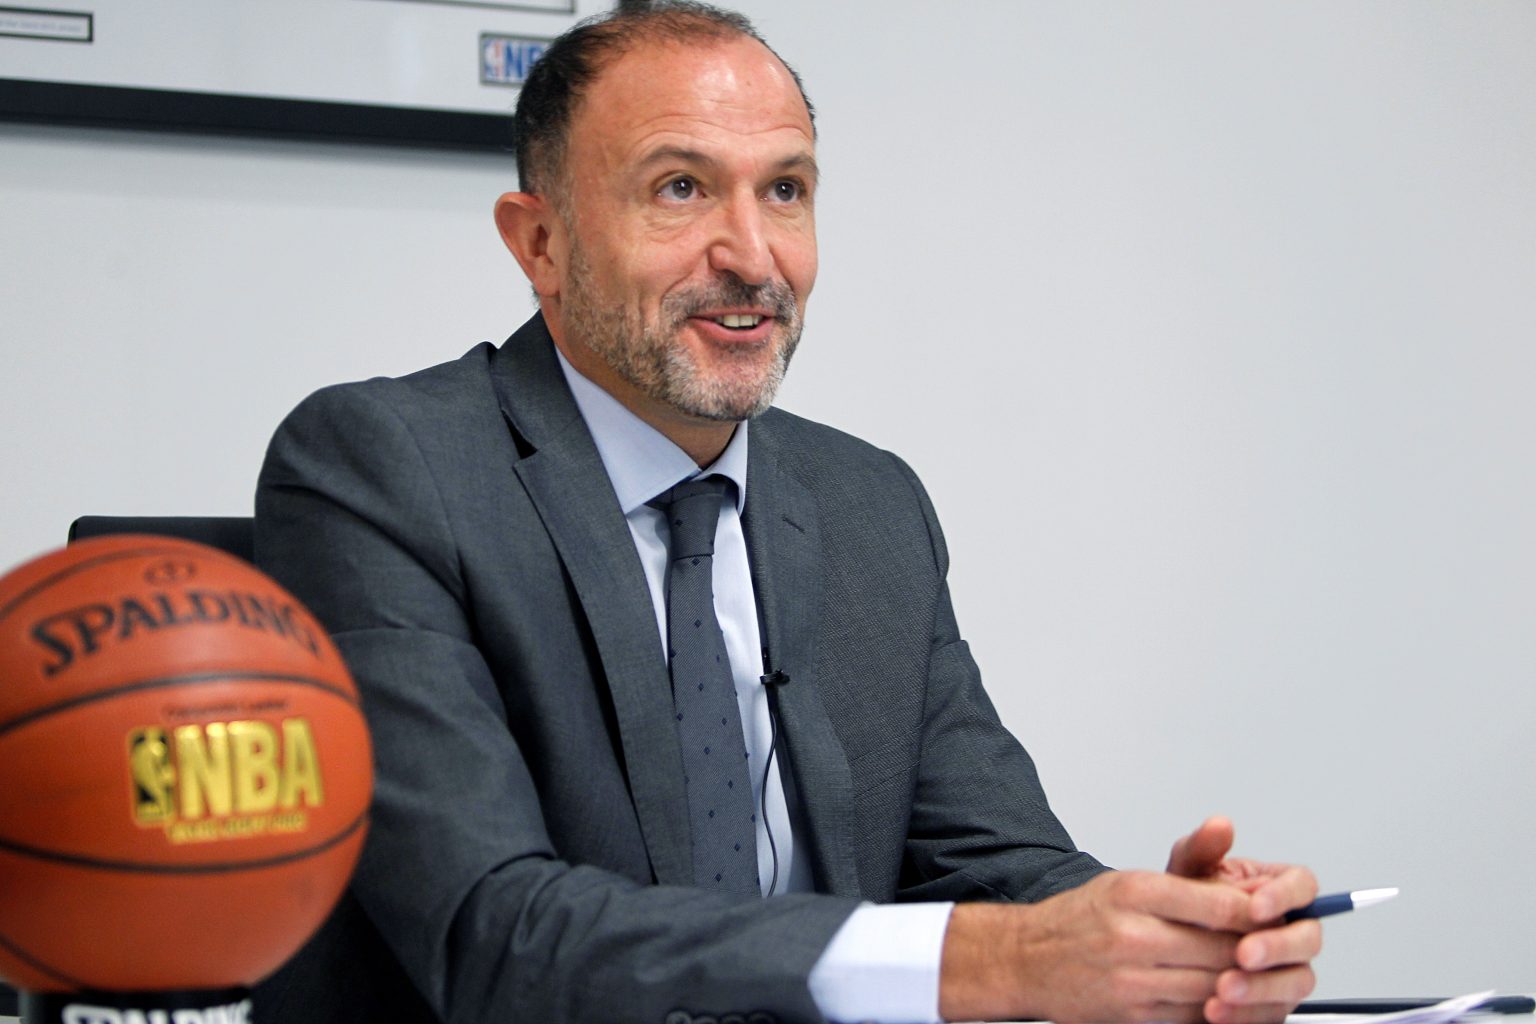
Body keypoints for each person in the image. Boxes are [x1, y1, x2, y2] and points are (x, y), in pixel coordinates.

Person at [253, 4, 1322, 1023]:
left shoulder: (869, 504)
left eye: (786, 191)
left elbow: (995, 870)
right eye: (680, 188)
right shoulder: (384, 469)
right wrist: (1011, 959)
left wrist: (1171, 935)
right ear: (541, 244)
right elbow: (496, 934)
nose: (754, 256)